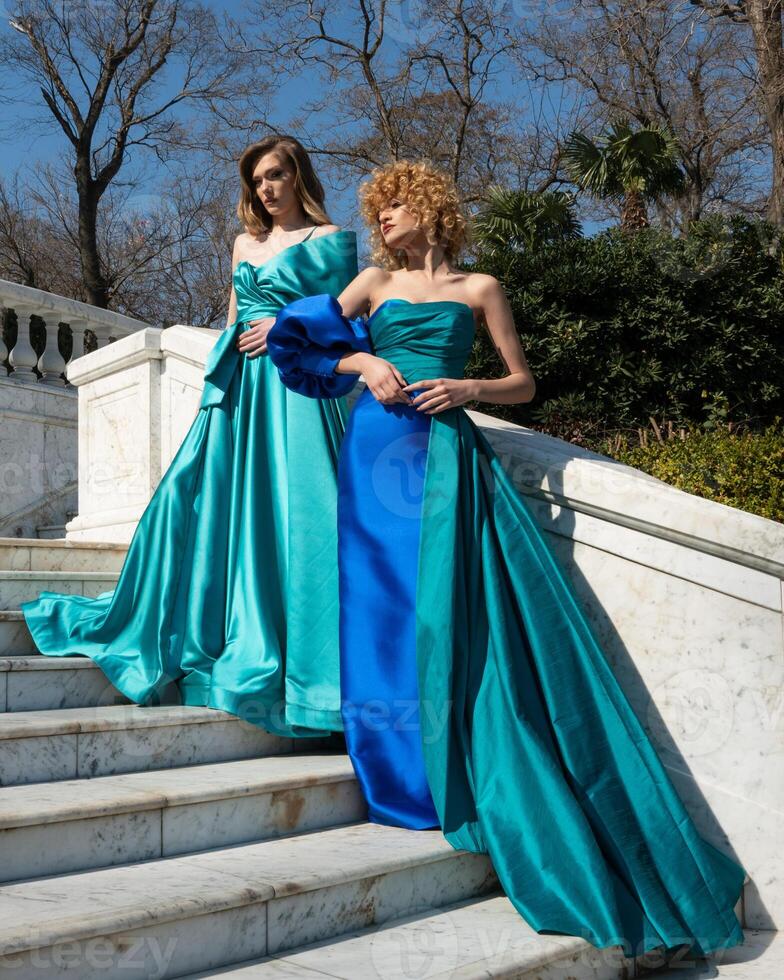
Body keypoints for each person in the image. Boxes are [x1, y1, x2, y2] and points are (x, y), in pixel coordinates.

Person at [265, 159, 747, 958]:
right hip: (376, 456)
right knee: (381, 612)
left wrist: (467, 389)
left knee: (450, 612)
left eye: (395, 207)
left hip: (448, 456)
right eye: (376, 211)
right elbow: (294, 345)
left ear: (433, 210)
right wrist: (363, 362)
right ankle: (397, 773)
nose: (382, 220)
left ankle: (458, 759)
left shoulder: (481, 287)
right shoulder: (371, 285)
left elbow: (523, 385)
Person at [21, 135, 358, 737]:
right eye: (257, 180)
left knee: (308, 514)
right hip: (243, 386)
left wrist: (285, 328)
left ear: (300, 175)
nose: (267, 189)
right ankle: (233, 630)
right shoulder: (243, 244)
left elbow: (342, 323)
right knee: (219, 508)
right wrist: (220, 378)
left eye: (277, 175)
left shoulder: (333, 242)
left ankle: (317, 673)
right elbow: (232, 316)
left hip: (297, 387)